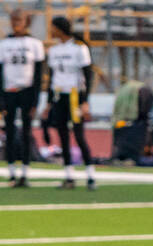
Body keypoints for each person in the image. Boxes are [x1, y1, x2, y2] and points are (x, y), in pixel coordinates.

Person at [44, 16, 96, 190]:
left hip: (75, 96)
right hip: (60, 96)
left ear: (60, 28)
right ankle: (69, 176)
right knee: (63, 136)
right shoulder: (54, 51)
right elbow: (52, 78)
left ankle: (90, 175)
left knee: (79, 135)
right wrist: (49, 102)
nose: (50, 31)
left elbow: (88, 75)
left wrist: (85, 101)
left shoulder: (79, 48)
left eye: (53, 27)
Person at [0, 9, 45, 187]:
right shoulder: (4, 44)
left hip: (27, 91)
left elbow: (39, 74)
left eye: (19, 19)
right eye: (13, 19)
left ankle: (25, 173)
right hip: (9, 91)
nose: (15, 22)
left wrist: (35, 100)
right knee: (9, 132)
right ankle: (11, 172)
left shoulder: (34, 44)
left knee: (27, 132)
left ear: (26, 21)